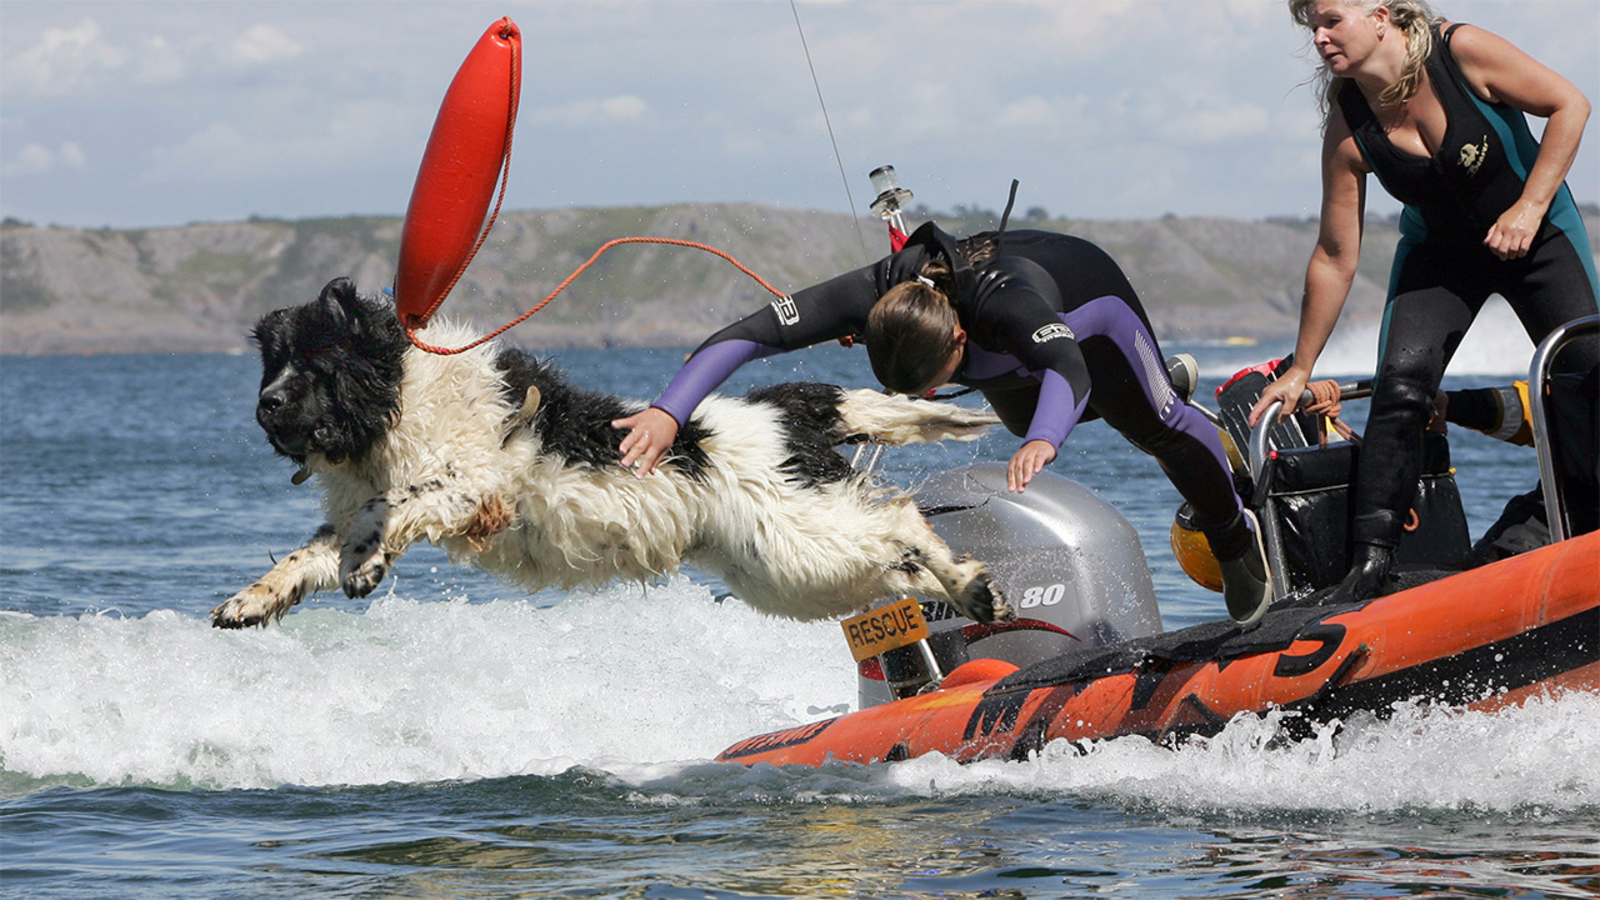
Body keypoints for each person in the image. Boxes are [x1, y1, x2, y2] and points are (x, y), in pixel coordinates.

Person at [613, 223, 1275, 627]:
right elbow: (752, 333)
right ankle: (1124, 391)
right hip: (1003, 358)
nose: (927, 397)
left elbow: (1066, 366)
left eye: (930, 385)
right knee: (1024, 419)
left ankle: (1233, 536)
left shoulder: (1004, 307)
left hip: (1086, 317)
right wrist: (669, 412)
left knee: (1149, 423)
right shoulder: (874, 293)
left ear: (959, 334)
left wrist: (1050, 437)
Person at [1251, 0, 1598, 603]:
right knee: (1399, 390)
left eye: (1332, 20)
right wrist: (1300, 368)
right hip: (1441, 256)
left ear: (1380, 15)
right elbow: (1335, 255)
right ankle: (1370, 568)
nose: (1321, 39)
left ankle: (1574, 520)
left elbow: (1570, 103)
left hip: (1537, 236)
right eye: (1313, 28)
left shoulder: (1459, 51)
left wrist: (1530, 206)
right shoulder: (1349, 123)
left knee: (1588, 375)